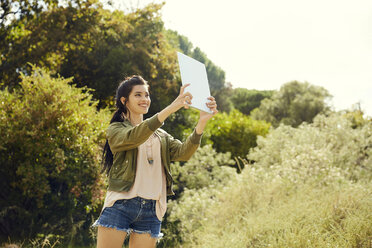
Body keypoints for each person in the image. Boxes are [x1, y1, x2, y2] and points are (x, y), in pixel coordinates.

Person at [92, 75, 218, 248]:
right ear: (124, 100)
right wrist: (173, 107)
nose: (144, 99)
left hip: (152, 209)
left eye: (146, 95)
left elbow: (184, 153)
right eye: (138, 95)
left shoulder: (160, 136)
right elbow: (135, 136)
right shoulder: (116, 129)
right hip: (121, 205)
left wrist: (201, 122)